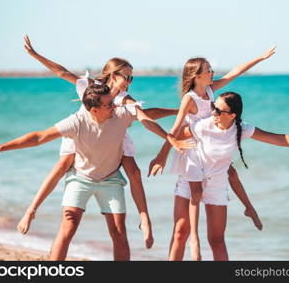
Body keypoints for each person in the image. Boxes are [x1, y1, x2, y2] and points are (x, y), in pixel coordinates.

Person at [0, 84, 192, 261]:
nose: (113, 107)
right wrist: (1, 147)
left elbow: (147, 117)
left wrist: (173, 128)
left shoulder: (120, 114)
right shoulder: (77, 122)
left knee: (118, 231)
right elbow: (39, 137)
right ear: (94, 110)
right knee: (69, 225)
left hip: (110, 179)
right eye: (108, 105)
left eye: (113, 103)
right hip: (80, 178)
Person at [17, 36, 178, 250]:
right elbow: (62, 72)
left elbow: (145, 115)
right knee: (62, 166)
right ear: (113, 75)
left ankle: (145, 220)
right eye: (126, 77)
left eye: (132, 79)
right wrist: (36, 55)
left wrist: (178, 112)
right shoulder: (91, 87)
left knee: (134, 172)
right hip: (81, 134)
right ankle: (32, 209)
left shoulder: (125, 99)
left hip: (112, 137)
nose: (129, 82)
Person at [166, 91, 289, 260]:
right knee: (181, 232)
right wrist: (169, 153)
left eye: (219, 110)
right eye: (213, 107)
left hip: (216, 185)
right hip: (191, 179)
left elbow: (280, 139)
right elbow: (175, 134)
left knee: (217, 241)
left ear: (232, 115)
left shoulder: (241, 129)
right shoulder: (204, 125)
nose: (214, 112)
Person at [148, 47, 276, 260]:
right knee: (181, 229)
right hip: (193, 151)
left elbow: (234, 73)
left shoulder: (210, 90)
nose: (212, 72)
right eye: (208, 70)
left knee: (232, 174)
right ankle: (192, 245)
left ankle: (249, 209)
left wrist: (259, 58)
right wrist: (162, 155)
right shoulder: (189, 99)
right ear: (196, 76)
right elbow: (176, 129)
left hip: (213, 147)